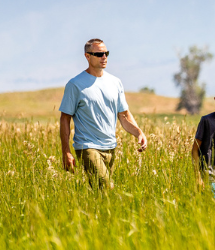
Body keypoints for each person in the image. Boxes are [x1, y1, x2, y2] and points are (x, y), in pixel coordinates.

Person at [59, 38, 148, 189]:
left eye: (106, 53)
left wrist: (138, 132)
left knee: (99, 195)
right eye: (99, 54)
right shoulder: (75, 84)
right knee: (107, 188)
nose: (104, 57)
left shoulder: (115, 82)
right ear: (87, 56)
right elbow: (65, 118)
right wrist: (66, 151)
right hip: (87, 147)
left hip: (110, 147)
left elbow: (124, 115)